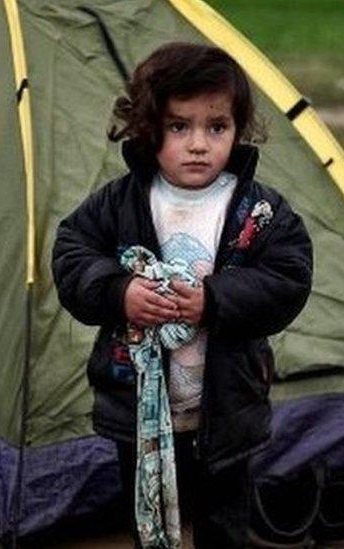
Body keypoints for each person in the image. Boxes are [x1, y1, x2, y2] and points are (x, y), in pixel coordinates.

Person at [52, 42, 312, 548]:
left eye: (216, 127)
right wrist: (119, 291)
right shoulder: (120, 202)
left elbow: (288, 277)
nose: (199, 144)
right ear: (150, 130)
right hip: (139, 407)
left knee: (225, 522)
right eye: (180, 127)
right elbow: (72, 254)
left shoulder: (257, 212)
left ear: (237, 130)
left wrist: (214, 300)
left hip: (227, 405)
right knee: (149, 517)